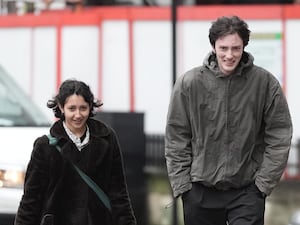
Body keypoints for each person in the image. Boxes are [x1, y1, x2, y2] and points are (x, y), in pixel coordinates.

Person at [165, 15, 293, 225]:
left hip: (247, 191)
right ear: (213, 46)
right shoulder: (189, 83)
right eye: (223, 48)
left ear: (244, 47)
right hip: (199, 192)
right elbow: (176, 135)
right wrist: (182, 186)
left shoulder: (265, 83)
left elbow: (280, 133)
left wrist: (262, 185)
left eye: (236, 48)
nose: (229, 55)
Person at [15, 79, 136, 225]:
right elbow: (31, 200)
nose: (78, 115)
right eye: (72, 108)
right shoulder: (45, 146)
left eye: (83, 108)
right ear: (61, 107)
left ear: (90, 106)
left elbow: (119, 193)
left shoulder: (107, 139)